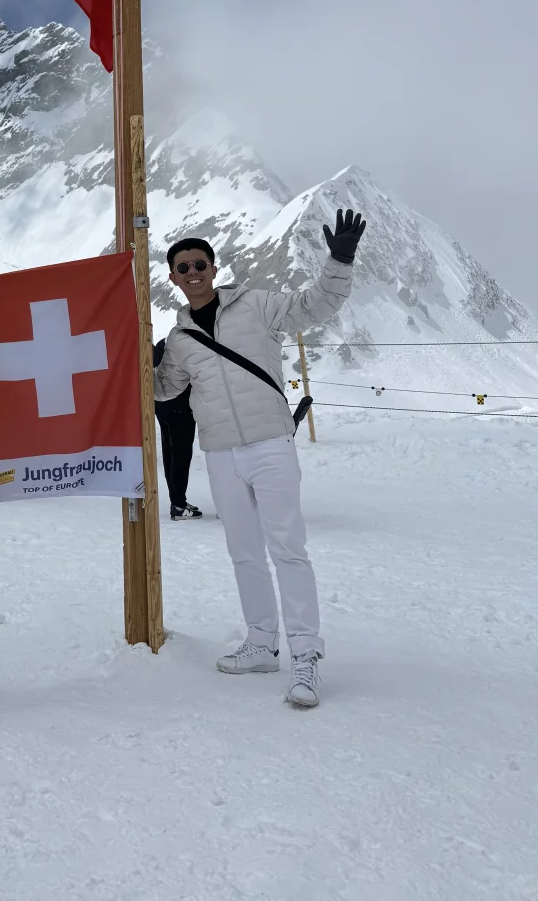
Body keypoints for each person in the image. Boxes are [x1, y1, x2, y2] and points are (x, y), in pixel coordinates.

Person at [154, 209, 366, 709]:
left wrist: (339, 262)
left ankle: (305, 655)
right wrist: (144, 361)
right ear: (173, 279)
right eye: (183, 268)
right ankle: (261, 643)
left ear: (213, 267)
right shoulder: (180, 340)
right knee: (244, 551)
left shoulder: (256, 304)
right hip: (221, 452)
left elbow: (316, 305)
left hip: (270, 443)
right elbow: (165, 391)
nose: (193, 273)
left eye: (200, 264)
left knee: (288, 548)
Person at [153, 378, 203, 520]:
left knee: (170, 449)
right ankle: (178, 504)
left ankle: (177, 501)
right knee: (181, 452)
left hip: (160, 398)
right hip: (178, 398)